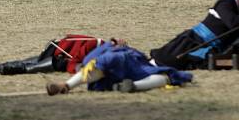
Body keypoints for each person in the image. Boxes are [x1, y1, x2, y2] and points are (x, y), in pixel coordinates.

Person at [45, 41, 193, 95]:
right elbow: (90, 61)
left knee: (167, 77)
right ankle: (66, 86)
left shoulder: (116, 51)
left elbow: (90, 61)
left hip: (139, 67)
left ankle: (131, 86)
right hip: (127, 67)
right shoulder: (113, 50)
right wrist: (112, 44)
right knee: (167, 77)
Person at [0, 34, 107, 76]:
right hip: (56, 50)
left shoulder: (102, 51)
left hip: (58, 51)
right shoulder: (96, 44)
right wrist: (77, 69)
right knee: (29, 67)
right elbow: (75, 61)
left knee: (28, 63)